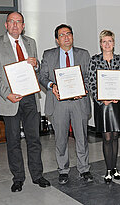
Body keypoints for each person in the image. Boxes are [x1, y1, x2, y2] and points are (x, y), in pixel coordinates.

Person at [0, 11, 50, 192]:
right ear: (6, 25)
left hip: (30, 98)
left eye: (19, 22)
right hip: (10, 100)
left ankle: (37, 175)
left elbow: (36, 72)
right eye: (12, 22)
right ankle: (18, 178)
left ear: (23, 26)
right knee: (13, 141)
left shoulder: (31, 42)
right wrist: (7, 94)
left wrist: (36, 64)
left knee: (34, 139)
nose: (15, 25)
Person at [38, 24, 93, 185]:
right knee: (60, 138)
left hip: (79, 101)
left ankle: (84, 169)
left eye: (69, 33)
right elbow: (42, 76)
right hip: (58, 103)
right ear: (57, 40)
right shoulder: (48, 55)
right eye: (62, 35)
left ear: (72, 36)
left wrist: (83, 90)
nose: (66, 37)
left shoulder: (83, 54)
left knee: (81, 137)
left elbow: (90, 77)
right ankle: (63, 170)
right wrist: (51, 86)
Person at [87, 30, 120, 184]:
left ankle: (115, 167)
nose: (107, 44)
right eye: (104, 41)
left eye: (109, 41)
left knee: (116, 136)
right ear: (100, 43)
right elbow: (91, 83)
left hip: (117, 104)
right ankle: (108, 170)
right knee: (107, 137)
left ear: (113, 43)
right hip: (102, 105)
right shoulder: (94, 60)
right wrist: (101, 99)